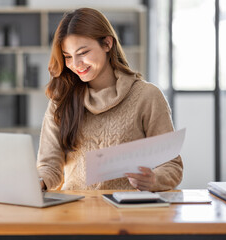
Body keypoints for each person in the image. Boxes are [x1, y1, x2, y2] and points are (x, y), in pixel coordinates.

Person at [36, 8, 183, 192]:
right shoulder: (61, 100)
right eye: (67, 57)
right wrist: (38, 181)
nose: (76, 64)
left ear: (107, 43)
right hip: (74, 212)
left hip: (127, 212)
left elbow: (172, 165)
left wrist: (154, 180)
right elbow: (49, 166)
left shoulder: (147, 96)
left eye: (82, 52)